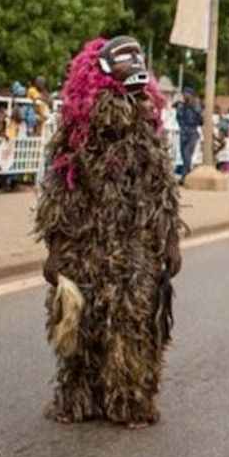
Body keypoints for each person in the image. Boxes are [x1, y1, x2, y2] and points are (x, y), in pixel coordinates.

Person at [35, 36, 183, 428]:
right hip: (84, 246)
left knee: (130, 327)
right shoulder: (75, 135)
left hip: (133, 249)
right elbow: (59, 191)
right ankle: (78, 398)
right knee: (77, 327)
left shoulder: (146, 131)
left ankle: (129, 400)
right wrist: (55, 248)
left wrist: (169, 240)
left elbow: (162, 188)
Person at [174, 87, 202, 184]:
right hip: (183, 131)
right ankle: (187, 174)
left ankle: (185, 176)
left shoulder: (196, 106)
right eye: (184, 93)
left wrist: (193, 106)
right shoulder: (181, 107)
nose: (185, 95)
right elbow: (178, 117)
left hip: (192, 131)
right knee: (183, 154)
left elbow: (200, 119)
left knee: (187, 154)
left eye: (187, 93)